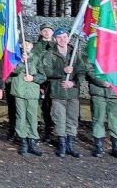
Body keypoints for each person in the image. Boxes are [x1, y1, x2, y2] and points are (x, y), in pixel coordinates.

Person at [41, 28, 86, 158]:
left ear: (68, 38)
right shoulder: (50, 54)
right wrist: (62, 71)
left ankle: (70, 145)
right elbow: (46, 71)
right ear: (55, 39)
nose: (62, 40)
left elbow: (82, 71)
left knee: (72, 119)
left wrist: (73, 83)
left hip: (72, 92)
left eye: (65, 37)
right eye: (59, 37)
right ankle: (62, 145)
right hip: (58, 92)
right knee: (59, 119)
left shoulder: (74, 54)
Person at [87, 53, 117, 159]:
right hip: (99, 92)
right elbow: (89, 69)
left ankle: (115, 147)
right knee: (98, 119)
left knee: (115, 120)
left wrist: (116, 78)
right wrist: (101, 81)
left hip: (115, 91)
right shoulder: (94, 49)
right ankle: (99, 147)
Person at [10, 41, 46, 156]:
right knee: (21, 117)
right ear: (20, 46)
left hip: (32, 92)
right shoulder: (15, 57)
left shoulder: (36, 58)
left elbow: (43, 76)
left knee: (32, 117)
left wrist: (33, 78)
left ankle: (32, 142)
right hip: (20, 91)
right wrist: (21, 62)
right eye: (24, 43)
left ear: (32, 46)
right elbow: (13, 72)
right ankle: (23, 142)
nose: (26, 46)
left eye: (28, 44)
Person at [33, 24, 55, 141]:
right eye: (44, 30)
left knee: (51, 107)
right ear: (41, 33)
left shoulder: (57, 46)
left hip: (53, 81)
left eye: (49, 30)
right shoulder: (35, 47)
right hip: (39, 81)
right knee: (40, 107)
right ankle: (37, 131)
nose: (46, 32)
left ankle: (50, 131)